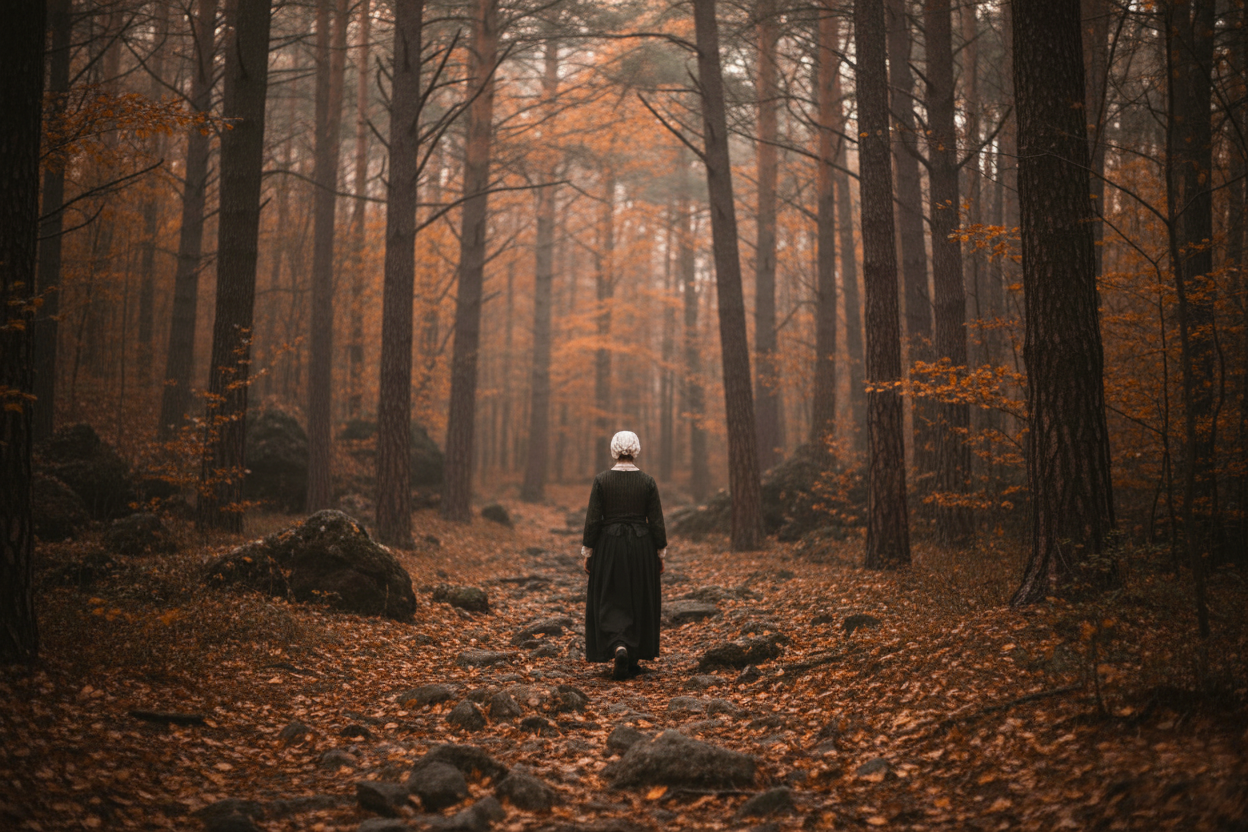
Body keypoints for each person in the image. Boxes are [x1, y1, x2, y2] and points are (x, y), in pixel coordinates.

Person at [581, 430, 667, 680]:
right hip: (641, 547)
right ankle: (632, 652)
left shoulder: (601, 480)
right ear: (635, 449)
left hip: (610, 546)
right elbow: (657, 521)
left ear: (614, 449)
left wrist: (588, 551)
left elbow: (593, 520)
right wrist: (660, 552)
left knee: (610, 595)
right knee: (637, 596)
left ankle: (618, 645)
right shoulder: (648, 481)